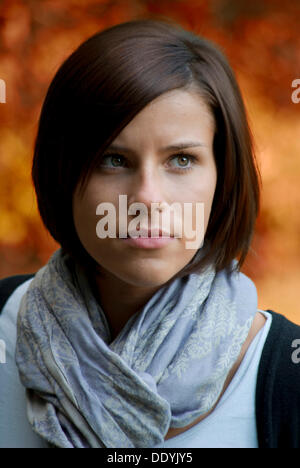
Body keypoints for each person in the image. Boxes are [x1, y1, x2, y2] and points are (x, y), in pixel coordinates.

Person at [0, 18, 299, 449]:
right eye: (114, 160)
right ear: (61, 174)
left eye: (180, 160)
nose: (146, 198)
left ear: (223, 176)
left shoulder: (287, 379)